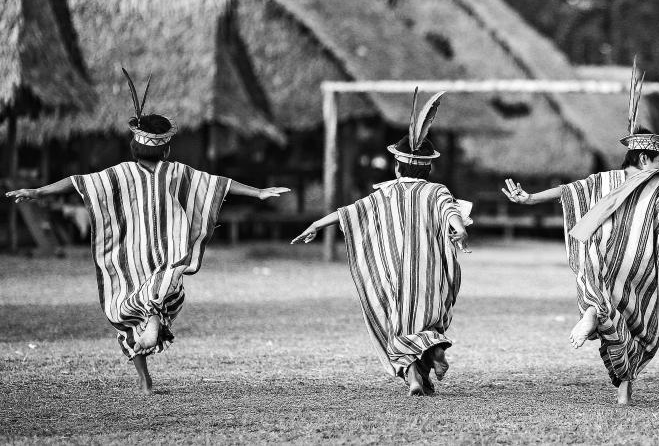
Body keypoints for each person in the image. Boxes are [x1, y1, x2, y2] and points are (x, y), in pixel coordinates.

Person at [6, 69, 289, 395]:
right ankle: (153, 320)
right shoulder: (177, 173)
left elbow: (77, 182)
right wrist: (258, 192)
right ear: (166, 150)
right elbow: (217, 184)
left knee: (128, 315)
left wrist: (38, 192)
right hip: (168, 257)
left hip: (128, 258)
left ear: (133, 148)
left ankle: (145, 375)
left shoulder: (120, 173)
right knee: (165, 294)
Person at [503, 65, 659, 405]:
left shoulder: (602, 179)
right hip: (637, 269)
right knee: (645, 323)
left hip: (599, 265)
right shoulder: (657, 183)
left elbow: (566, 191)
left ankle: (594, 316)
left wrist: (529, 198)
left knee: (603, 311)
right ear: (646, 156)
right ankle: (624, 384)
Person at [292, 89, 470, 397]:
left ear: (398, 167)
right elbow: (451, 211)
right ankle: (437, 350)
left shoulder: (385, 193)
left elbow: (349, 211)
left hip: (395, 277)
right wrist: (460, 231)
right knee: (431, 317)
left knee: (398, 325)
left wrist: (316, 224)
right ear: (427, 168)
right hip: (429, 275)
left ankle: (414, 378)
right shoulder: (436, 190)